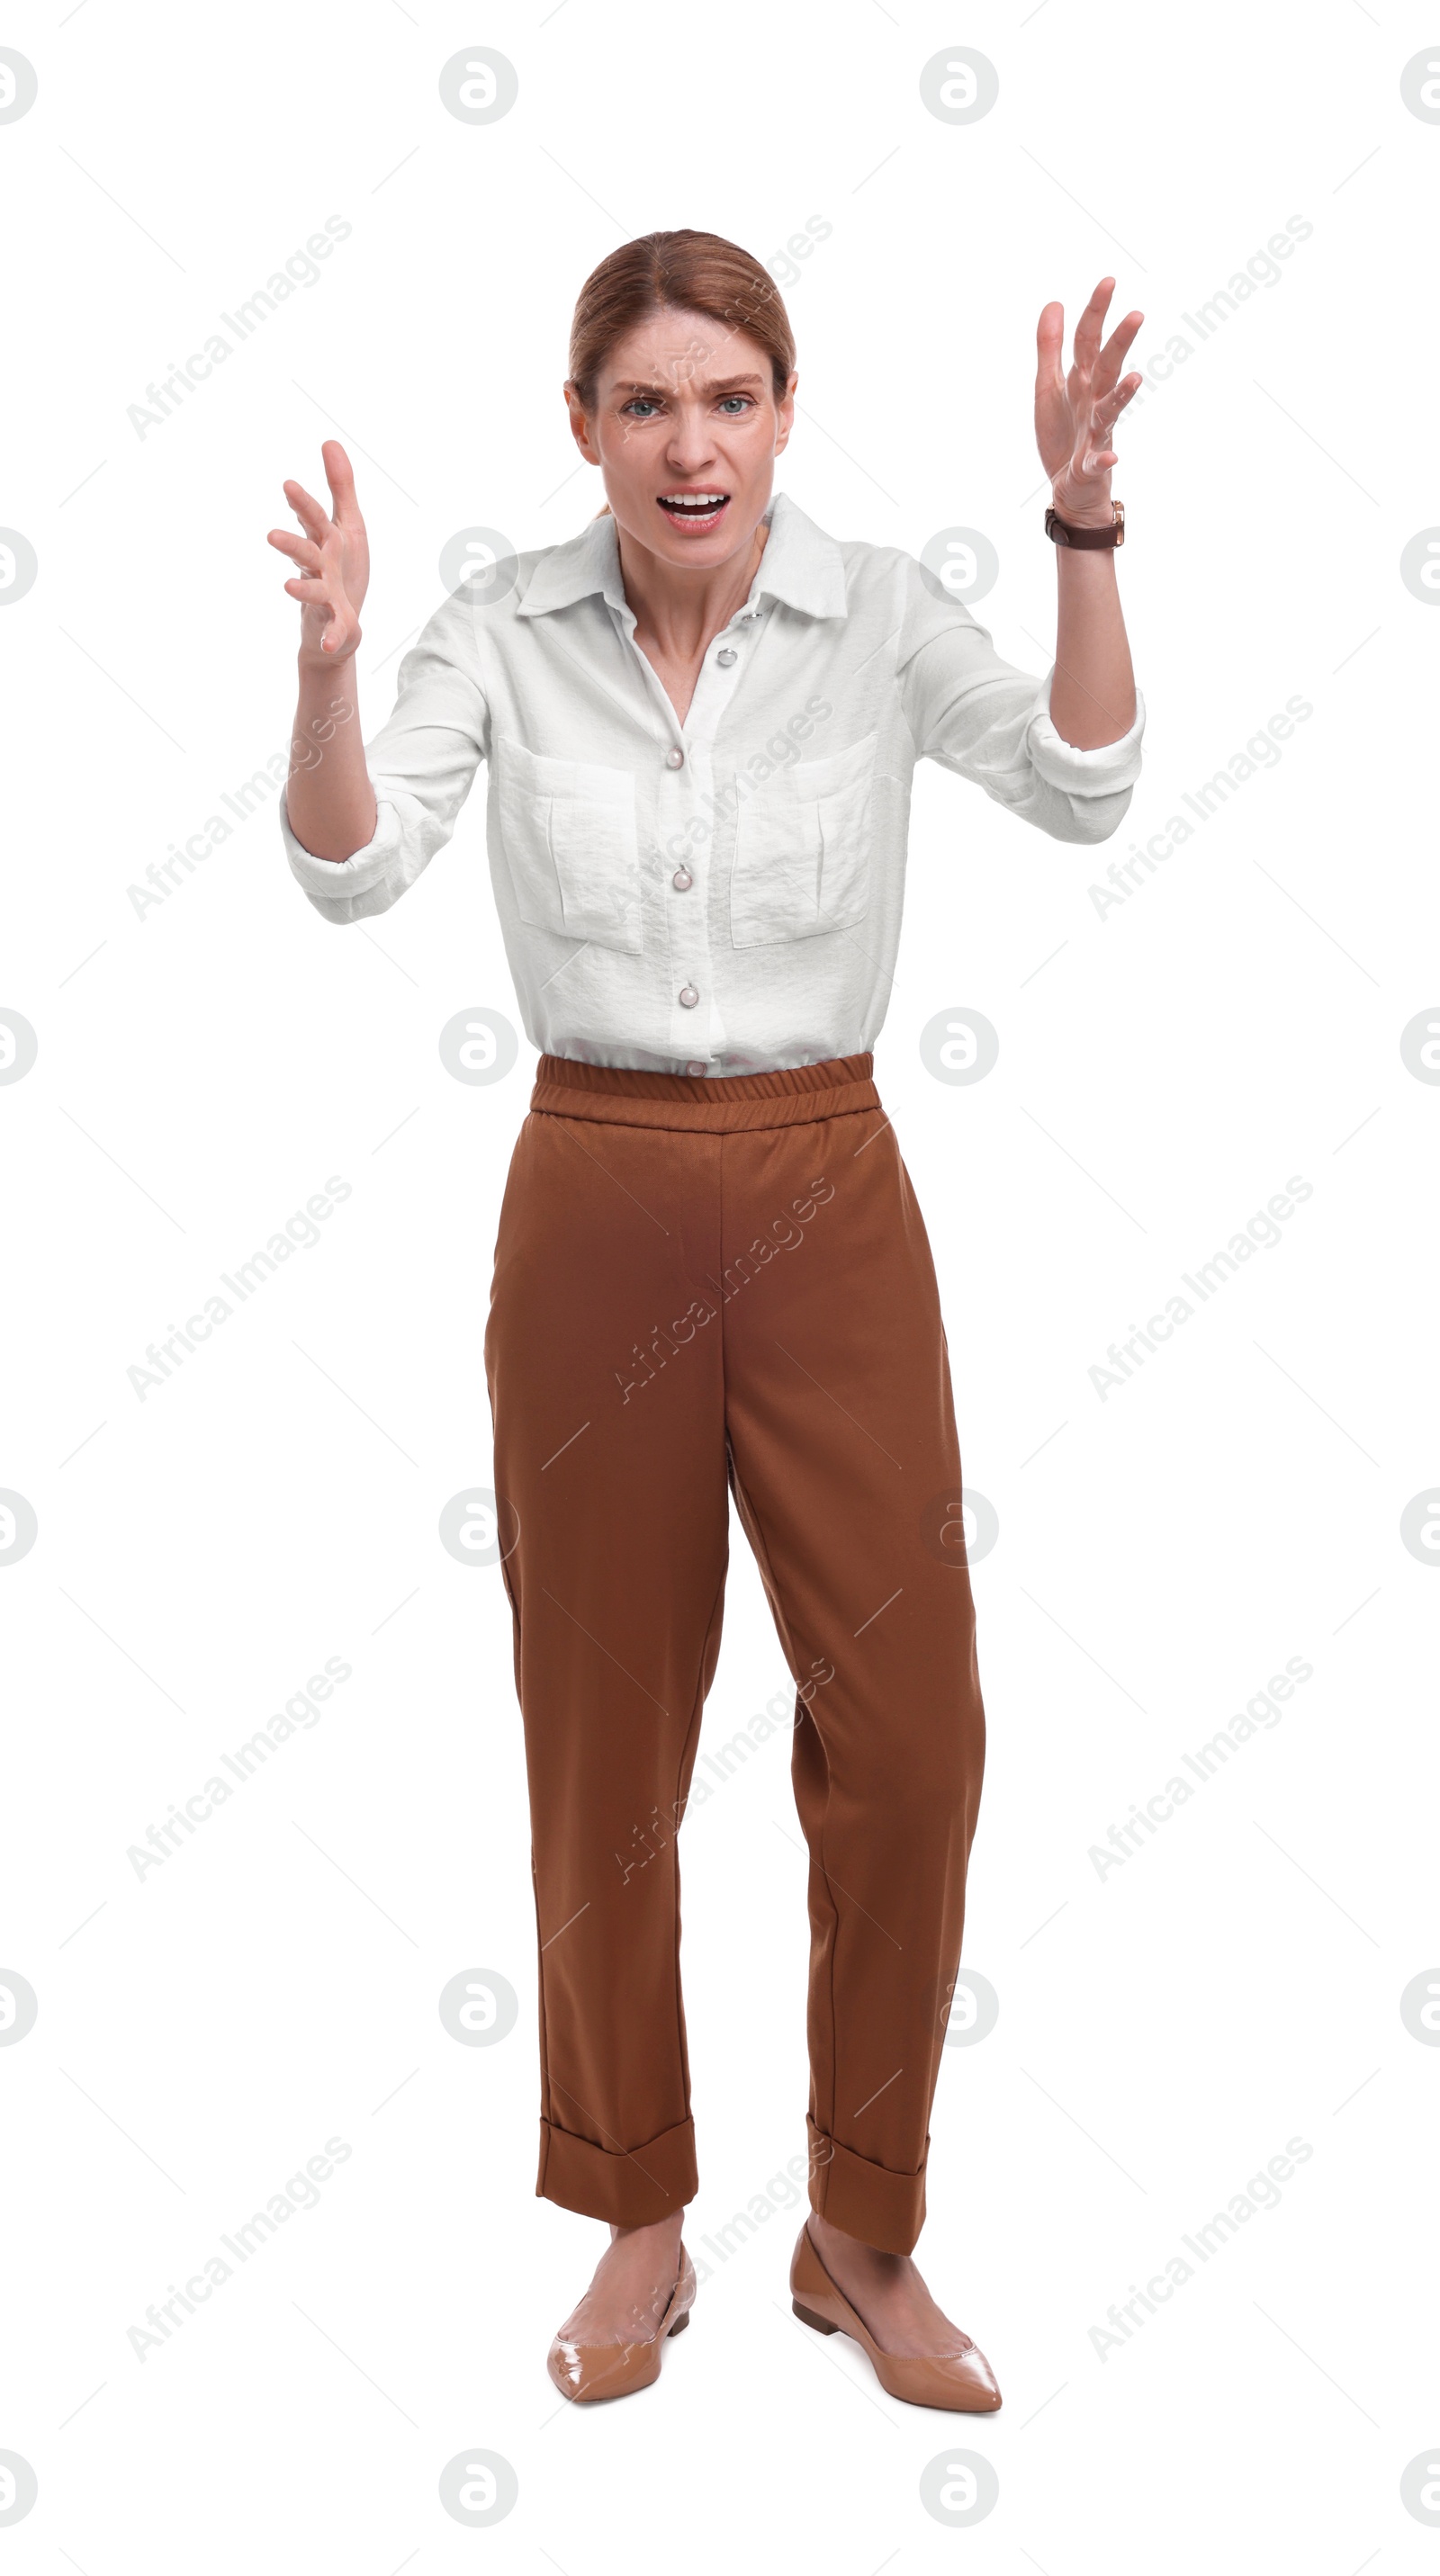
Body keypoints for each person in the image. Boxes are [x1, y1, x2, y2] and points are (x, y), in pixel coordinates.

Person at [269, 229, 1144, 2410]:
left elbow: (1082, 780)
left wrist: (1081, 524)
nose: (690, 445)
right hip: (590, 1198)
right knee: (606, 1747)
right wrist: (326, 667)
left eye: (730, 400)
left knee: (913, 1735)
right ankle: (638, 2215)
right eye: (646, 403)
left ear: (783, 416)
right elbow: (353, 872)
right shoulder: (496, 625)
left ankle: (860, 2230)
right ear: (582, 427)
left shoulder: (872, 621)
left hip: (831, 1196)